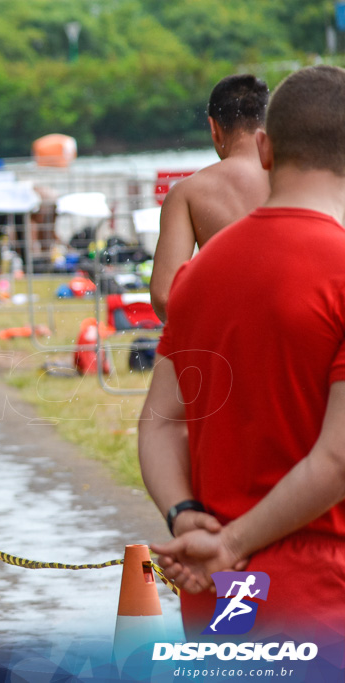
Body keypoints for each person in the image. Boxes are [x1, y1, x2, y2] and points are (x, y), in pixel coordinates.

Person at [140, 65, 345, 643]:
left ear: (264, 147)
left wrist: (185, 515)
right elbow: (336, 462)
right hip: (322, 588)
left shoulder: (196, 276)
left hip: (215, 587)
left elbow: (159, 422)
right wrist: (231, 543)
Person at [149, 74, 269, 322]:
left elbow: (164, 296)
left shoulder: (188, 192)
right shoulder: (306, 179)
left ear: (214, 128)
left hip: (227, 343)